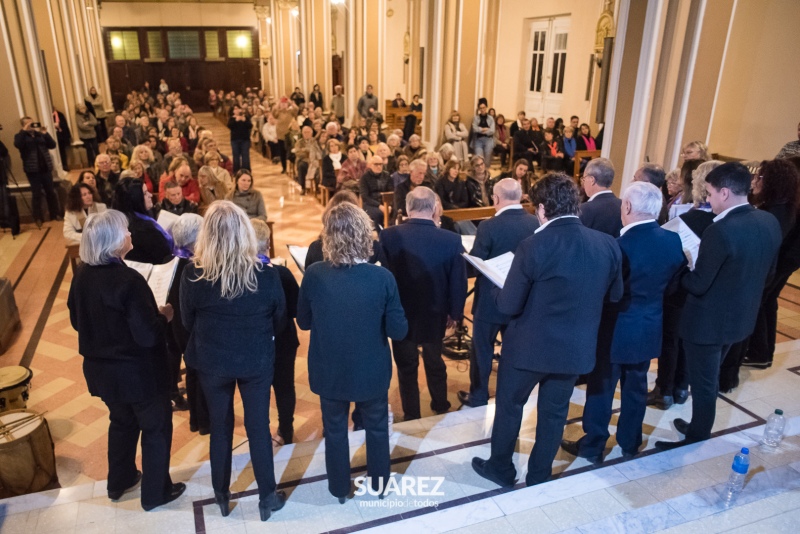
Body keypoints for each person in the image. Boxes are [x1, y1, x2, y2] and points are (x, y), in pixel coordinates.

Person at [471, 173, 622, 487]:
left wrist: (494, 290)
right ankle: (540, 474)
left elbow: (509, 305)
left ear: (541, 209)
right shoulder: (606, 244)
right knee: (554, 414)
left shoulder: (533, 245)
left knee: (510, 407)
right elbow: (615, 295)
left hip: (528, 348)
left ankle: (501, 469)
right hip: (575, 348)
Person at [655, 162, 782, 451]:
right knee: (708, 379)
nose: (708, 199)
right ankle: (698, 425)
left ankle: (697, 434)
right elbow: (769, 274)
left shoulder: (720, 230)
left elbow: (698, 284)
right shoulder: (768, 221)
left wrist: (685, 264)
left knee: (703, 383)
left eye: (710, 193)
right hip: (741, 318)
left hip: (708, 324)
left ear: (725, 192)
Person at [67, 210, 185, 511]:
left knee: (121, 422)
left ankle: (120, 481)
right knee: (156, 429)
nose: (130, 235)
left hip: (101, 373)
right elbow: (147, 336)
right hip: (139, 374)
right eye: (125, 232)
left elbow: (77, 321)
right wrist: (163, 316)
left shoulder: (81, 275)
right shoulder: (128, 281)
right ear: (114, 241)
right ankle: (156, 493)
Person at [561, 182, 685, 463]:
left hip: (614, 329)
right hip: (649, 325)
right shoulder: (672, 240)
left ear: (626, 207)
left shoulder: (616, 247)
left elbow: (601, 293)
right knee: (636, 387)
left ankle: (593, 446)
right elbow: (673, 287)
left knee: (602, 388)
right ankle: (630, 442)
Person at [180, 201, 287, 521]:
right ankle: (267, 497)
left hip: (213, 361)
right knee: (258, 427)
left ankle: (222, 495)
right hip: (255, 359)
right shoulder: (266, 273)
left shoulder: (193, 273)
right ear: (244, 233)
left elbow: (187, 321)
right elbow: (279, 320)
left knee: (221, 427)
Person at [298, 203, 407, 501]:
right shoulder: (382, 278)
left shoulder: (315, 274)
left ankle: (338, 489)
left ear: (328, 237)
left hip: (329, 368)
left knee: (334, 430)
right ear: (364, 236)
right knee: (376, 428)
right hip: (371, 369)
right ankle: (379, 485)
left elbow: (304, 322)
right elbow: (399, 331)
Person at [380, 187, 467, 420]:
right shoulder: (451, 239)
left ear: (408, 208)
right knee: (435, 360)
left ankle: (411, 414)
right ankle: (440, 404)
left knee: (406, 367)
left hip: (401, 314)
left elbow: (384, 279)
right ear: (434, 208)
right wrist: (455, 312)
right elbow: (458, 281)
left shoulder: (388, 236)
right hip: (435, 313)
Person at [458, 179, 539, 408]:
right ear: (520, 196)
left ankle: (479, 395)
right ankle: (509, 394)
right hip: (522, 299)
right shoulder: (534, 223)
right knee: (513, 349)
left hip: (490, 301)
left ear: (495, 198)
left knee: (482, 349)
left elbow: (476, 264)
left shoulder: (488, 226)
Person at [744, 159, 800, 369]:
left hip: (782, 261)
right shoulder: (785, 203)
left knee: (759, 302)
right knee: (768, 302)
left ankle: (759, 352)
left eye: (760, 177)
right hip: (786, 260)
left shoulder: (778, 210)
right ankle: (764, 352)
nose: (756, 180)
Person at [251, 219, 300, 445]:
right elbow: (296, 308)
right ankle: (286, 430)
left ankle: (260, 435)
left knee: (257, 391)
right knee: (285, 387)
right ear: (267, 245)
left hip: (254, 342)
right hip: (283, 340)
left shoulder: (240, 275)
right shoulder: (282, 273)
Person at [166, 213, 209, 434]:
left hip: (179, 327)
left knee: (192, 372)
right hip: (191, 327)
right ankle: (204, 420)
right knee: (200, 373)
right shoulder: (192, 268)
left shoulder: (174, 261)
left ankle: (196, 420)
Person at [112, 176, 173, 264]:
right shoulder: (143, 230)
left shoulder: (123, 220)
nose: (150, 195)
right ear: (135, 199)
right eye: (145, 193)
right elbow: (164, 254)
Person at [14, 117, 61, 223]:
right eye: (28, 124)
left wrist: (45, 133)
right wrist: (24, 131)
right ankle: (38, 217)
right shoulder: (20, 136)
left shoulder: (39, 135)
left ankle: (55, 214)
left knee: (51, 192)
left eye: (32, 123)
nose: (31, 125)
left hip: (45, 168)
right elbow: (18, 145)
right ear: (23, 125)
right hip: (32, 170)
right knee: (36, 194)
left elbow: (52, 145)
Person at [579, 157, 622, 237]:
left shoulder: (584, 209)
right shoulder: (623, 205)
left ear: (592, 180)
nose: (583, 183)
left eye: (584, 179)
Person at [360, 155, 393, 229]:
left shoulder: (387, 175)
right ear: (370, 165)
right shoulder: (365, 177)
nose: (379, 166)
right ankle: (380, 234)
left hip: (386, 202)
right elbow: (365, 196)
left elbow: (391, 191)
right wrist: (379, 206)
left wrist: (389, 205)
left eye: (380, 164)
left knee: (396, 211)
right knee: (378, 214)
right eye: (376, 164)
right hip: (371, 203)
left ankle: (392, 232)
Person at [228, 105, 252, 173]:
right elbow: (229, 126)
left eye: (238, 108)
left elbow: (250, 126)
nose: (237, 110)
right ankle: (236, 171)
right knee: (236, 156)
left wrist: (244, 121)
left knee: (245, 155)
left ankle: (246, 170)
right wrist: (236, 120)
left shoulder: (246, 117)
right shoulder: (232, 118)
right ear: (233, 111)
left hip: (245, 139)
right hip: (235, 140)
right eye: (235, 109)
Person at [52, 106, 72, 171]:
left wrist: (58, 125)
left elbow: (64, 125)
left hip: (61, 136)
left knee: (62, 152)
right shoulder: (47, 115)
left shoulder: (59, 114)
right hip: (53, 136)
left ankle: (64, 165)